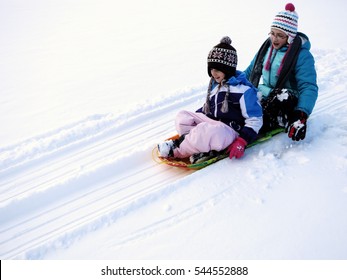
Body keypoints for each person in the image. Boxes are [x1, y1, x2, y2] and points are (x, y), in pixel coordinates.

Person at [158, 36, 263, 163]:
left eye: (218, 69)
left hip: (230, 131)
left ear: (228, 69)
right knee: (183, 117)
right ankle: (194, 142)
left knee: (207, 131)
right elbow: (210, 107)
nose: (213, 73)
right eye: (212, 69)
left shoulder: (244, 91)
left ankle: (176, 150)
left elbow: (255, 119)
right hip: (213, 124)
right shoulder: (216, 85)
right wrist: (197, 117)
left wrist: (242, 141)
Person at [244, 3, 318, 141]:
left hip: (288, 101)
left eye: (280, 35)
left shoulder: (302, 56)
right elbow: (249, 71)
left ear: (289, 37)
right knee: (246, 98)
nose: (274, 38)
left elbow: (309, 86)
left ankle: (252, 128)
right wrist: (231, 81)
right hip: (268, 94)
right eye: (272, 33)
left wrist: (301, 113)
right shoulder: (267, 48)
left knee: (280, 98)